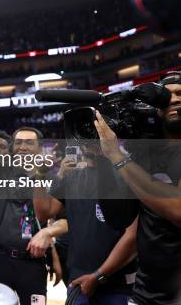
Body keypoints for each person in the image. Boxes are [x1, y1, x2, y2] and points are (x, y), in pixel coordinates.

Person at [95, 72, 181, 305]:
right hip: (146, 294)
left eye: (180, 94)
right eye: (166, 96)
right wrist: (102, 159)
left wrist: (117, 156)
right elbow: (119, 219)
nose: (174, 99)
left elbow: (177, 210)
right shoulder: (144, 156)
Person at [33, 150, 138, 304]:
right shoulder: (73, 177)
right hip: (79, 281)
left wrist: (98, 276)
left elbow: (132, 237)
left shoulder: (127, 177)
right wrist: (40, 174)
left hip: (117, 284)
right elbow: (44, 212)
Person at [0, 127, 52, 305]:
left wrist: (54, 256)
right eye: (18, 142)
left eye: (29, 142)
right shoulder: (2, 171)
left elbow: (56, 221)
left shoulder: (52, 178)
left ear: (40, 148)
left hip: (33, 264)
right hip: (0, 260)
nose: (22, 147)